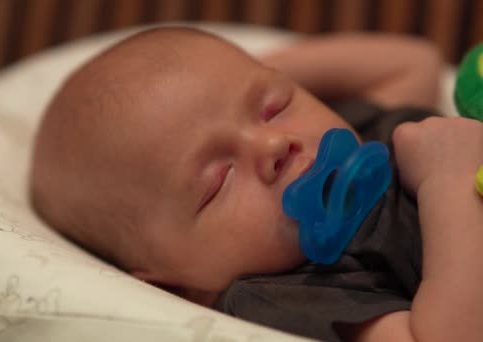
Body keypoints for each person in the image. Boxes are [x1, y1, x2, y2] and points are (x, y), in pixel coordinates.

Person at [30, 27, 483, 342]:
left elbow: (413, 62)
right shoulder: (282, 297)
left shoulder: (356, 127)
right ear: (176, 286)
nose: (273, 144)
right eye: (219, 180)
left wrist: (241, 76)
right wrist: (450, 184)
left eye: (272, 107)